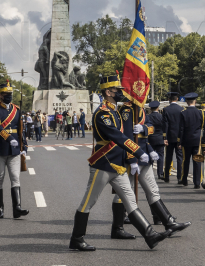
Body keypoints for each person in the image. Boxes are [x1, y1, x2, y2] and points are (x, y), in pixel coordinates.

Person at [68, 75, 171, 251]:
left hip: (118, 165)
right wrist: (138, 151)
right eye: (117, 90)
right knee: (88, 202)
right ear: (108, 92)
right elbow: (117, 136)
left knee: (130, 200)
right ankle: (76, 239)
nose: (120, 93)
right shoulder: (102, 114)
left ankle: (150, 235)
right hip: (103, 164)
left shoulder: (115, 111)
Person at [116, 93, 190, 238]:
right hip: (131, 158)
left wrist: (144, 131)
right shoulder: (127, 110)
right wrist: (131, 159)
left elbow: (150, 128)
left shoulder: (141, 109)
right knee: (124, 193)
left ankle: (168, 222)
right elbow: (126, 137)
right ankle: (117, 227)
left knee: (153, 190)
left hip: (143, 156)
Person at [0, 81, 29, 219]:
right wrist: (8, 137)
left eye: (10, 94)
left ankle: (17, 208)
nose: (8, 96)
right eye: (6, 94)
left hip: (14, 149)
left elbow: (21, 129)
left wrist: (24, 146)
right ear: (0, 95)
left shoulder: (17, 110)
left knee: (15, 178)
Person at [179, 92, 205, 187]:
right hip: (197, 140)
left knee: (186, 160)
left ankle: (184, 179)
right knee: (197, 160)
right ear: (195, 101)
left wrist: (180, 141)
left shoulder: (183, 113)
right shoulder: (200, 112)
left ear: (186, 102)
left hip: (186, 140)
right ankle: (197, 182)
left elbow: (181, 129)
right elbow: (202, 126)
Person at [162, 91, 184, 182]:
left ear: (169, 99)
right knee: (180, 158)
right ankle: (179, 177)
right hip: (179, 137)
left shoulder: (166, 110)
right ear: (177, 99)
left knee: (168, 157)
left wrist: (165, 137)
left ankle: (166, 176)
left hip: (170, 137)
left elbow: (165, 125)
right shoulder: (182, 109)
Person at [146, 100, 167, 179]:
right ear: (158, 108)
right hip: (160, 138)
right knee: (160, 156)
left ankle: (149, 172)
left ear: (150, 108)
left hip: (151, 138)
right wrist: (165, 138)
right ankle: (160, 173)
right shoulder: (161, 117)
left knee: (150, 156)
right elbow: (165, 127)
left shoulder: (148, 117)